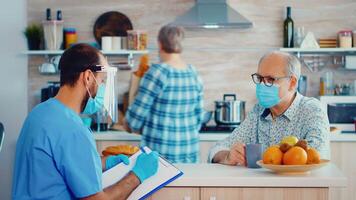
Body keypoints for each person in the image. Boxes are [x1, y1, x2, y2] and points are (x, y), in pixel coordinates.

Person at [12, 44, 159, 200]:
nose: (102, 87)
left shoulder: (39, 113)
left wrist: (103, 163)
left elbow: (58, 166)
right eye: (102, 80)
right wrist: (137, 176)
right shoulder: (72, 130)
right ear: (88, 77)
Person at [209, 51, 330, 165]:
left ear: (292, 82)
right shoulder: (259, 111)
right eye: (260, 79)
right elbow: (217, 149)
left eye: (270, 79)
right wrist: (228, 156)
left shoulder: (312, 110)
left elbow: (315, 157)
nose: (262, 85)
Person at [125, 25, 204, 163]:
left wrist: (129, 122)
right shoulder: (193, 73)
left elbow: (135, 119)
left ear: (160, 44)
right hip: (189, 152)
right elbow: (199, 116)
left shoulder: (158, 72)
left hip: (161, 155)